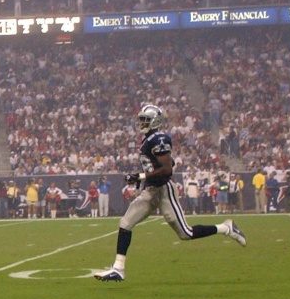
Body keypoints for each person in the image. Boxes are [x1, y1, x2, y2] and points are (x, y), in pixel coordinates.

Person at [94, 105, 247, 282]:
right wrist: (142, 178)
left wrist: (140, 176)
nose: (142, 122)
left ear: (155, 120)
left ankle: (226, 228)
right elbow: (170, 163)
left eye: (146, 119)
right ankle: (118, 268)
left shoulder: (158, 138)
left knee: (186, 233)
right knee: (125, 223)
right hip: (150, 191)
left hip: (164, 190)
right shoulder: (149, 139)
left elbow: (167, 170)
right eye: (142, 119)